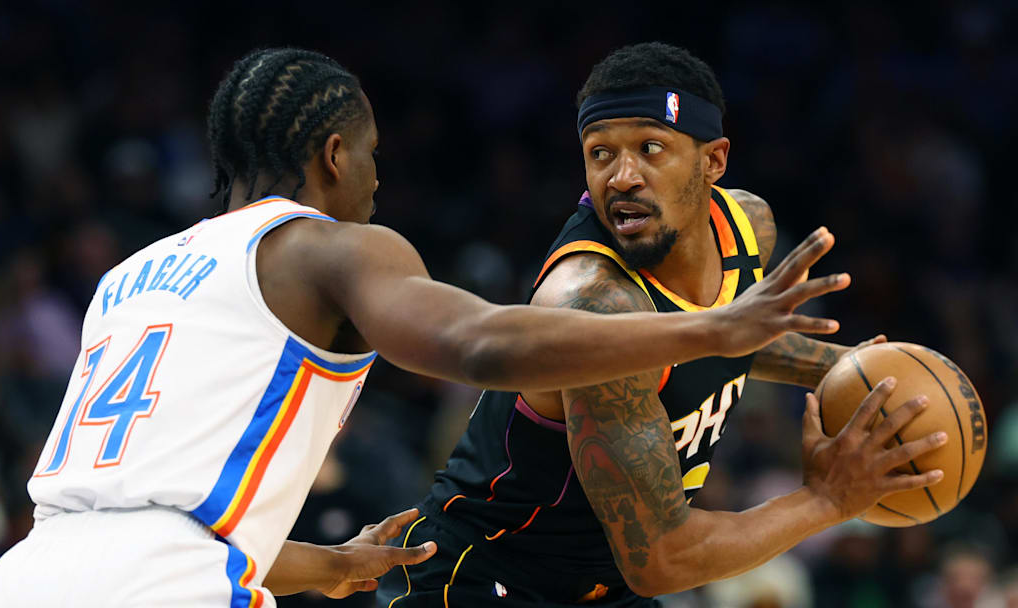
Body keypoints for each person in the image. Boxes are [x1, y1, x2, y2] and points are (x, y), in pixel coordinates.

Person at [0, 48, 848, 608]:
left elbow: (145, 515)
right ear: (336, 156)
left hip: (26, 576)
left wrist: (332, 567)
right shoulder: (329, 249)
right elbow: (481, 346)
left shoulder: (128, 278)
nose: (379, 184)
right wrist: (707, 332)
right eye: (375, 158)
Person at [376, 42, 947, 607]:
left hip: (604, 587)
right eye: (600, 153)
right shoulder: (594, 304)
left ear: (713, 161)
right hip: (484, 574)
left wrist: (852, 369)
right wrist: (826, 501)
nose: (623, 176)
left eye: (651, 148)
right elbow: (665, 558)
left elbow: (719, 337)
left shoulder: (747, 228)